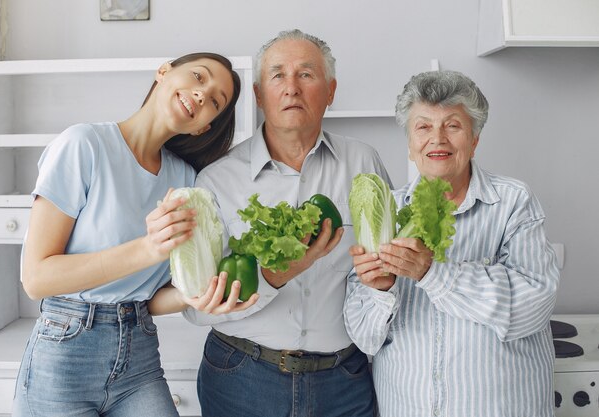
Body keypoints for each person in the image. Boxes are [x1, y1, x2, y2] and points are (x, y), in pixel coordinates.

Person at [12, 52, 257, 417]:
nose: (203, 94)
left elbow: (146, 300)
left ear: (203, 127)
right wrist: (147, 249)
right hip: (64, 353)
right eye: (198, 77)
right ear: (163, 72)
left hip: (138, 357)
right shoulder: (84, 145)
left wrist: (196, 296)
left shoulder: (186, 182)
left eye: (216, 102)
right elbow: (36, 279)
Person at [179, 29, 390, 417]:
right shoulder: (216, 179)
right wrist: (272, 277)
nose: (291, 87)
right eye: (277, 75)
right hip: (242, 377)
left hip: (344, 379)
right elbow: (196, 308)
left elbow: (379, 271)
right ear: (259, 96)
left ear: (330, 91)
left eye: (306, 74)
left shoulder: (364, 164)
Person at [344, 70, 560, 417]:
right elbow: (365, 340)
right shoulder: (387, 212)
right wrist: (381, 291)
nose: (437, 139)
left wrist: (433, 274)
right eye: (423, 126)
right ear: (410, 144)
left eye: (453, 126)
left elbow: (532, 307)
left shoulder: (512, 203)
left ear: (474, 139)